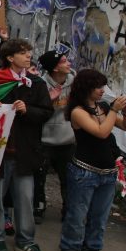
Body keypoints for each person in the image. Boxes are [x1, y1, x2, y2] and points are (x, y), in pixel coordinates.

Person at [0, 38, 53, 251]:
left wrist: (26, 109)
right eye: (23, 52)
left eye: (29, 52)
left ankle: (26, 240)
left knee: (25, 198)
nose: (28, 56)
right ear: (10, 57)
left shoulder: (36, 84)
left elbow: (46, 113)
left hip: (25, 151)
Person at [59, 70, 126, 251]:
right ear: (87, 88)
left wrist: (125, 111)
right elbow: (101, 133)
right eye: (98, 87)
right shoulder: (77, 111)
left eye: (103, 86)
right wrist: (114, 110)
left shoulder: (103, 108)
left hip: (107, 172)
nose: (102, 91)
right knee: (77, 213)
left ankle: (92, 248)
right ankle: (70, 247)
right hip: (84, 171)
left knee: (99, 216)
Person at [37, 48, 77, 221]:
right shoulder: (41, 84)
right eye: (63, 61)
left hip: (68, 139)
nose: (68, 63)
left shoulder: (73, 83)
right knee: (39, 177)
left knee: (68, 178)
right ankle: (38, 207)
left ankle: (68, 210)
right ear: (54, 68)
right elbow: (36, 111)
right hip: (45, 139)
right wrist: (50, 101)